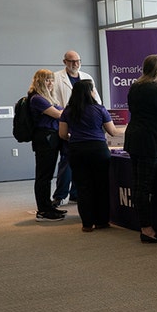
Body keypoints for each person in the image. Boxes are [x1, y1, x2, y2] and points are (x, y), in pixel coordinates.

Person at [124, 54, 157, 243]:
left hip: (134, 138)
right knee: (145, 187)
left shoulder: (135, 87)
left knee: (138, 184)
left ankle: (143, 225)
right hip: (150, 141)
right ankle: (147, 230)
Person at [59, 80, 120, 232]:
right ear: (90, 92)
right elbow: (112, 131)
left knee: (83, 186)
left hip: (77, 150)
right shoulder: (99, 109)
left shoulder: (68, 111)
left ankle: (87, 224)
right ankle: (101, 221)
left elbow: (62, 134)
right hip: (98, 150)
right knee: (101, 185)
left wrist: (74, 137)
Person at [52, 50, 98, 207]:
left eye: (78, 61)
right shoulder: (56, 78)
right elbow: (54, 101)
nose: (76, 64)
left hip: (85, 125)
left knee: (81, 163)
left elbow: (96, 99)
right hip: (67, 122)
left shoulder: (86, 77)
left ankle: (75, 194)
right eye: (72, 61)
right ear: (64, 62)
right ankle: (60, 195)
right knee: (66, 162)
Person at [28, 69, 68, 221]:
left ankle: (48, 206)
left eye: (52, 80)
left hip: (51, 137)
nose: (50, 83)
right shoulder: (37, 99)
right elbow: (59, 114)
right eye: (47, 80)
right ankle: (43, 211)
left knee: (48, 174)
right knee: (44, 176)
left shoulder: (48, 98)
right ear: (39, 81)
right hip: (45, 138)